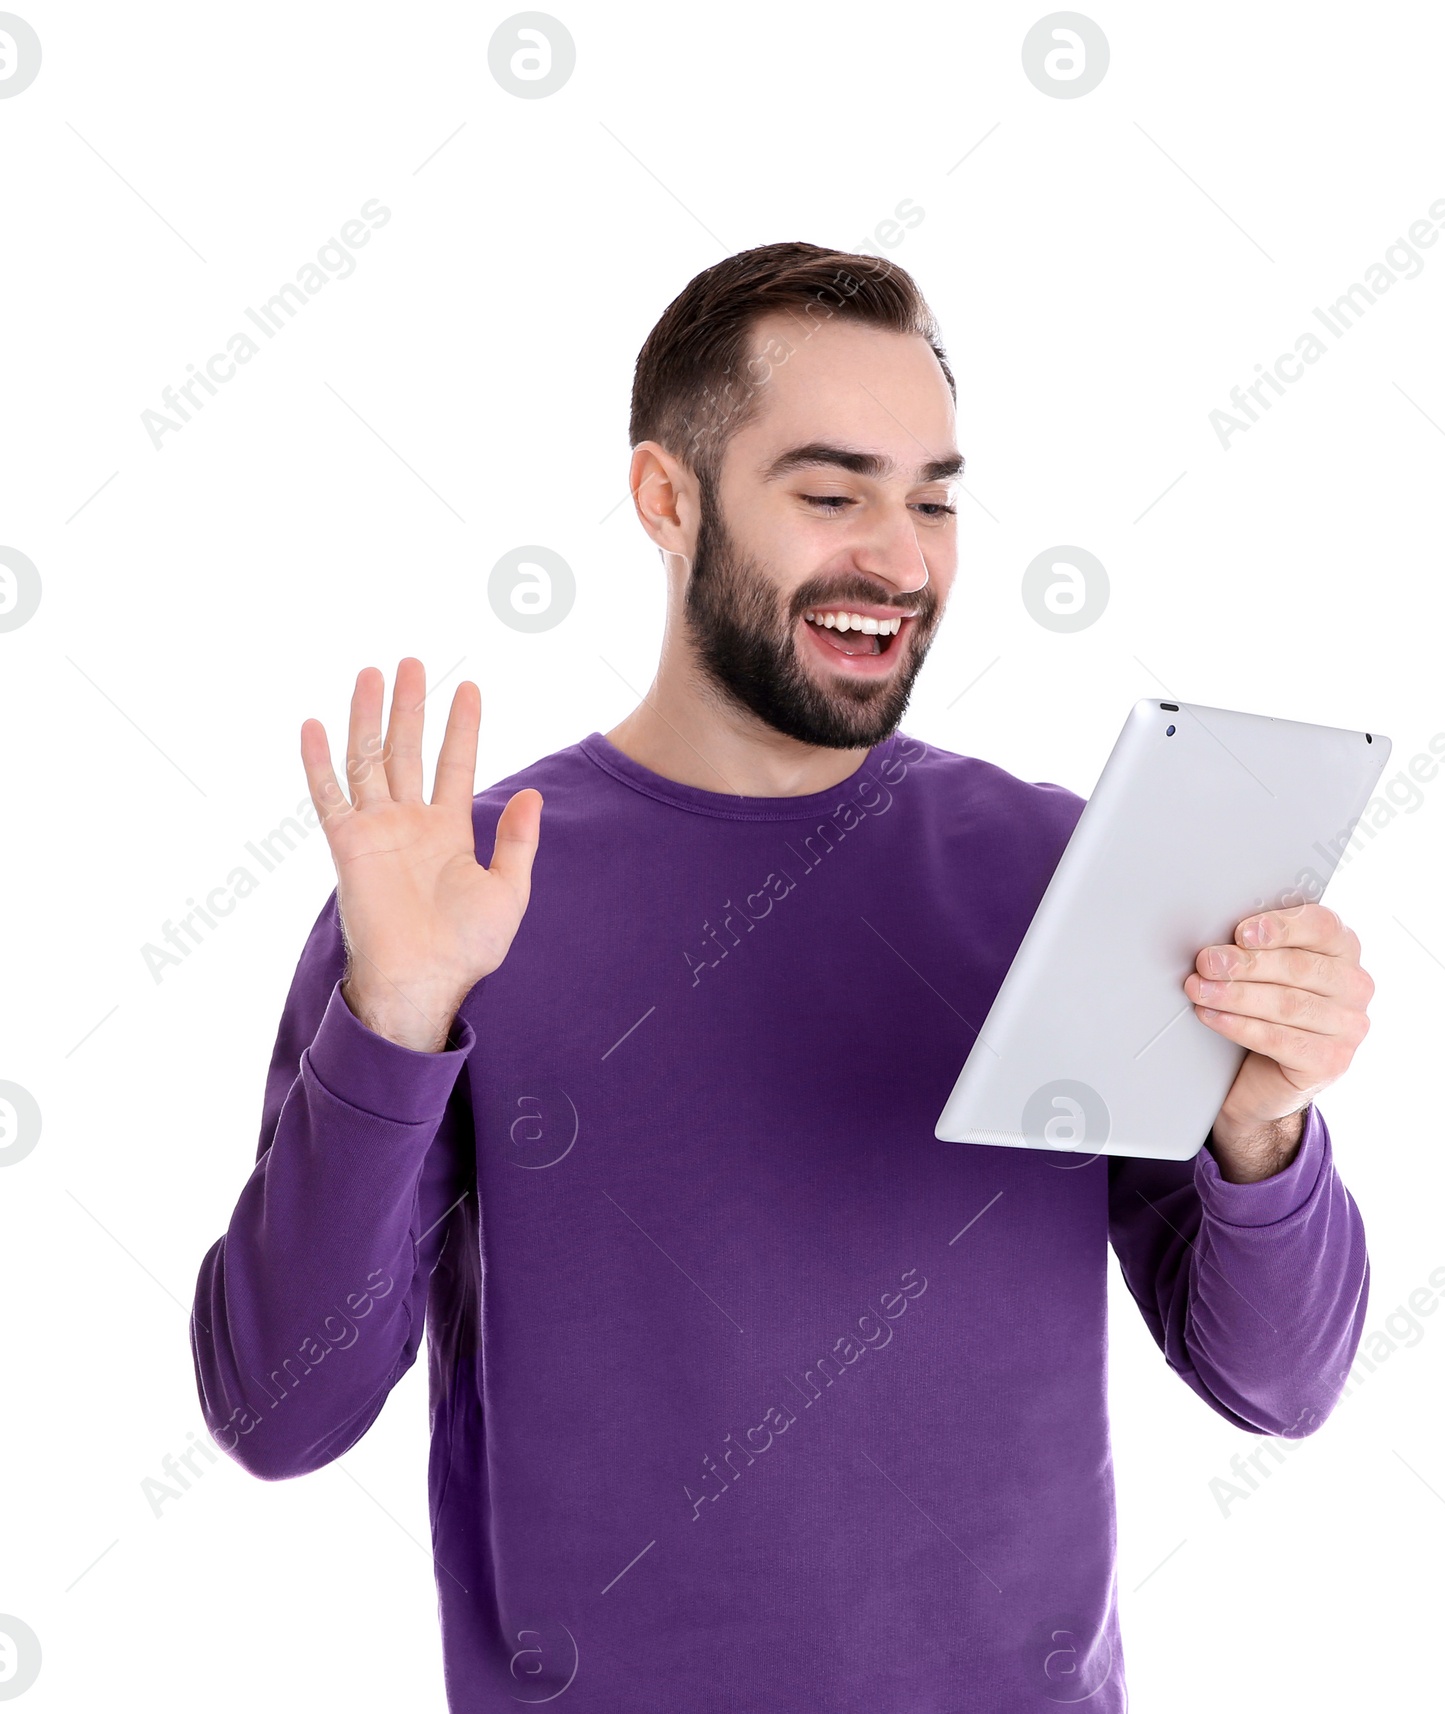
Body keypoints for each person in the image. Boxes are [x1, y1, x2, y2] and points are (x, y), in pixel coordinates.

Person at [190, 241, 1373, 1712]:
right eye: (830, 494)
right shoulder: (456, 895)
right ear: (665, 499)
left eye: (932, 496)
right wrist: (394, 1021)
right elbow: (277, 1410)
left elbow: (1280, 1380)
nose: (899, 555)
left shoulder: (1058, 868)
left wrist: (1265, 1130)